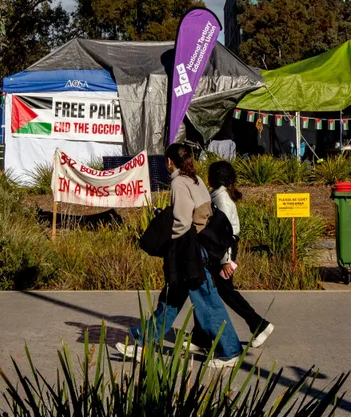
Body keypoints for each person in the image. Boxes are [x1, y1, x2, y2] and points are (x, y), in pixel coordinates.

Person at [117, 144, 243, 369]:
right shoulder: (196, 179)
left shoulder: (178, 182)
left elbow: (183, 221)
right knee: (170, 300)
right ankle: (143, 345)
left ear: (168, 161)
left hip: (190, 251)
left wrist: (166, 241)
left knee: (207, 301)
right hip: (200, 246)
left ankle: (231, 350)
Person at [187, 160, 274, 349]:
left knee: (223, 291)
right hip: (218, 249)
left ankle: (259, 325)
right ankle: (200, 337)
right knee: (207, 287)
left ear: (213, 178)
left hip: (223, 250)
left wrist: (227, 260)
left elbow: (226, 233)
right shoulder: (218, 195)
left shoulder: (222, 199)